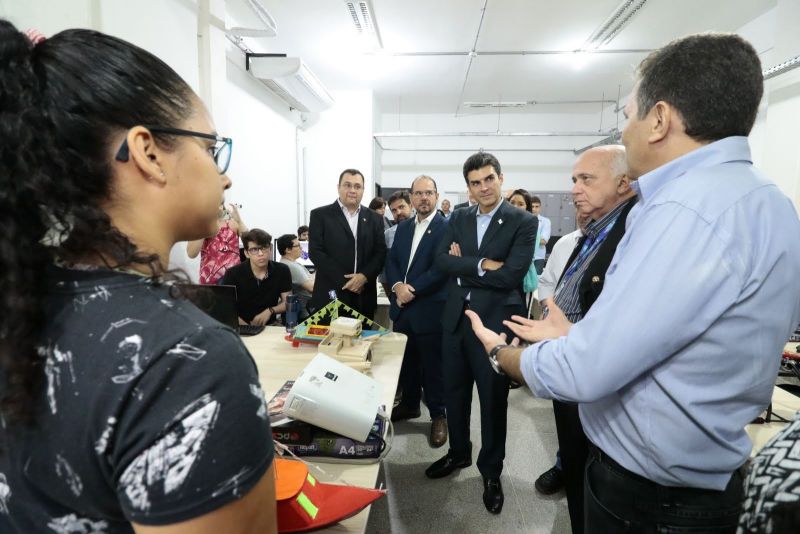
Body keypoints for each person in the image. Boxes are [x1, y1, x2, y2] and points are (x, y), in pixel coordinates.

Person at [466, 33, 800, 533]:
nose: (626, 130)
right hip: (701, 476)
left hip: (651, 498)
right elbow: (667, 340)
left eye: (628, 115)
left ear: (660, 119)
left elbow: (589, 371)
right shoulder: (766, 200)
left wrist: (502, 356)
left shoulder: (683, 210)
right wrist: (578, 337)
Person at [0, 21, 276, 533]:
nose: (226, 175)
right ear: (148, 152)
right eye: (212, 149)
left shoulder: (21, 303)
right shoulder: (189, 362)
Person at [425, 152, 537, 515]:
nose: (483, 187)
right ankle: (458, 454)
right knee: (454, 394)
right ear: (468, 187)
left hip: (493, 327)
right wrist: (482, 264)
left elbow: (512, 275)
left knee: (492, 402)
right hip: (455, 321)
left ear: (501, 178)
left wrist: (463, 266)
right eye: (475, 182)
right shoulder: (457, 216)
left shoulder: (522, 220)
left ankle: (491, 473)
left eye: (489, 179)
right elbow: (442, 261)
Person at [541, 145, 638, 534]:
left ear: (623, 182)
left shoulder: (631, 230)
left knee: (591, 476)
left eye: (586, 179)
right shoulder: (595, 232)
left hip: (594, 378)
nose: (574, 190)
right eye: (573, 180)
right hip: (570, 369)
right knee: (578, 469)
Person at [385, 176, 449, 447]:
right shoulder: (402, 228)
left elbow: (441, 268)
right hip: (403, 310)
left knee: (433, 367)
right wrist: (398, 286)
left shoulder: (447, 227)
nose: (424, 198)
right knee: (407, 362)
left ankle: (438, 415)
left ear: (436, 196)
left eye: (429, 193)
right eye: (419, 193)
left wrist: (411, 290)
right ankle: (411, 405)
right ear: (411, 197)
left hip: (429, 308)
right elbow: (393, 262)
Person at [308, 169, 387, 320]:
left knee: (364, 342)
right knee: (329, 342)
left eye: (357, 186)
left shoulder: (375, 218)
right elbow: (316, 252)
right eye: (347, 185)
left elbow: (380, 253)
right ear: (338, 187)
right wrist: (350, 282)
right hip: (331, 297)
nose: (352, 190)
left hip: (364, 297)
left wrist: (364, 277)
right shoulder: (320, 215)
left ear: (363, 190)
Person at [221, 229, 292, 326]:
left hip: (270, 325)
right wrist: (247, 327)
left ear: (270, 249)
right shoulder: (233, 273)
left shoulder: (282, 270)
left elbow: (288, 302)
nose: (261, 254)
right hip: (241, 325)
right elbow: (226, 308)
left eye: (264, 248)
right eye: (254, 249)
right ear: (246, 253)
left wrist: (270, 310)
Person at [186, 202, 248, 284]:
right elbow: (191, 253)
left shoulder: (232, 223)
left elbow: (250, 243)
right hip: (209, 284)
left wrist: (239, 221)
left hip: (234, 282)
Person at [380, 190, 412, 296]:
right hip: (397, 294)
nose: (398, 212)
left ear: (411, 205)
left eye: (401, 207)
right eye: (394, 210)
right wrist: (392, 297)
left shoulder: (425, 231)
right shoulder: (388, 235)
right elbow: (384, 271)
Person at [277, 234, 314, 320]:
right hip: (305, 314)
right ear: (288, 250)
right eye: (298, 245)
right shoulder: (292, 267)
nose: (301, 248)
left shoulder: (286, 263)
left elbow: (309, 278)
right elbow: (312, 287)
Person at [530, 195, 551, 274]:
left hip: (538, 257)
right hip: (525, 256)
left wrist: (526, 237)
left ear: (540, 208)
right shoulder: (523, 220)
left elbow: (543, 241)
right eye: (532, 206)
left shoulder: (546, 221)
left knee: (537, 282)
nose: (534, 209)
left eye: (536, 206)